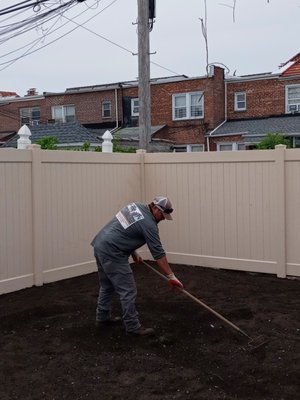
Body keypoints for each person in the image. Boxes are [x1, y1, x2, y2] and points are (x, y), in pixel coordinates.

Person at [91, 196, 183, 336]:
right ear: (156, 208)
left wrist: (133, 252)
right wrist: (171, 276)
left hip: (100, 245)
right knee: (128, 290)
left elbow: (122, 229)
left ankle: (102, 317)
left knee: (107, 285)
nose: (163, 219)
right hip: (113, 252)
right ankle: (133, 327)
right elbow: (158, 253)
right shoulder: (150, 225)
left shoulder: (135, 206)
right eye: (163, 215)